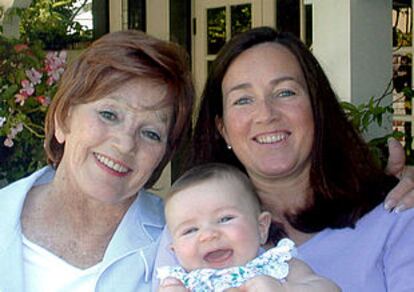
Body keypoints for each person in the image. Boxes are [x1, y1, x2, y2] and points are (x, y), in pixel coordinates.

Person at [154, 27, 414, 292]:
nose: (266, 114)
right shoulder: (189, 231)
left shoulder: (396, 217)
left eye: (285, 92)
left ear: (317, 107)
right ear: (223, 129)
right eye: (243, 100)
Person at [0, 30, 194, 291]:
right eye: (108, 114)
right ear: (63, 118)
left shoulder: (188, 241)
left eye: (150, 133)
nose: (125, 144)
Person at [157, 163, 340, 292]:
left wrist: (286, 289)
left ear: (261, 227)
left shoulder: (277, 266)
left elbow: (329, 288)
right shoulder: (180, 283)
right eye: (190, 230)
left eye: (225, 218)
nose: (208, 235)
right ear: (175, 250)